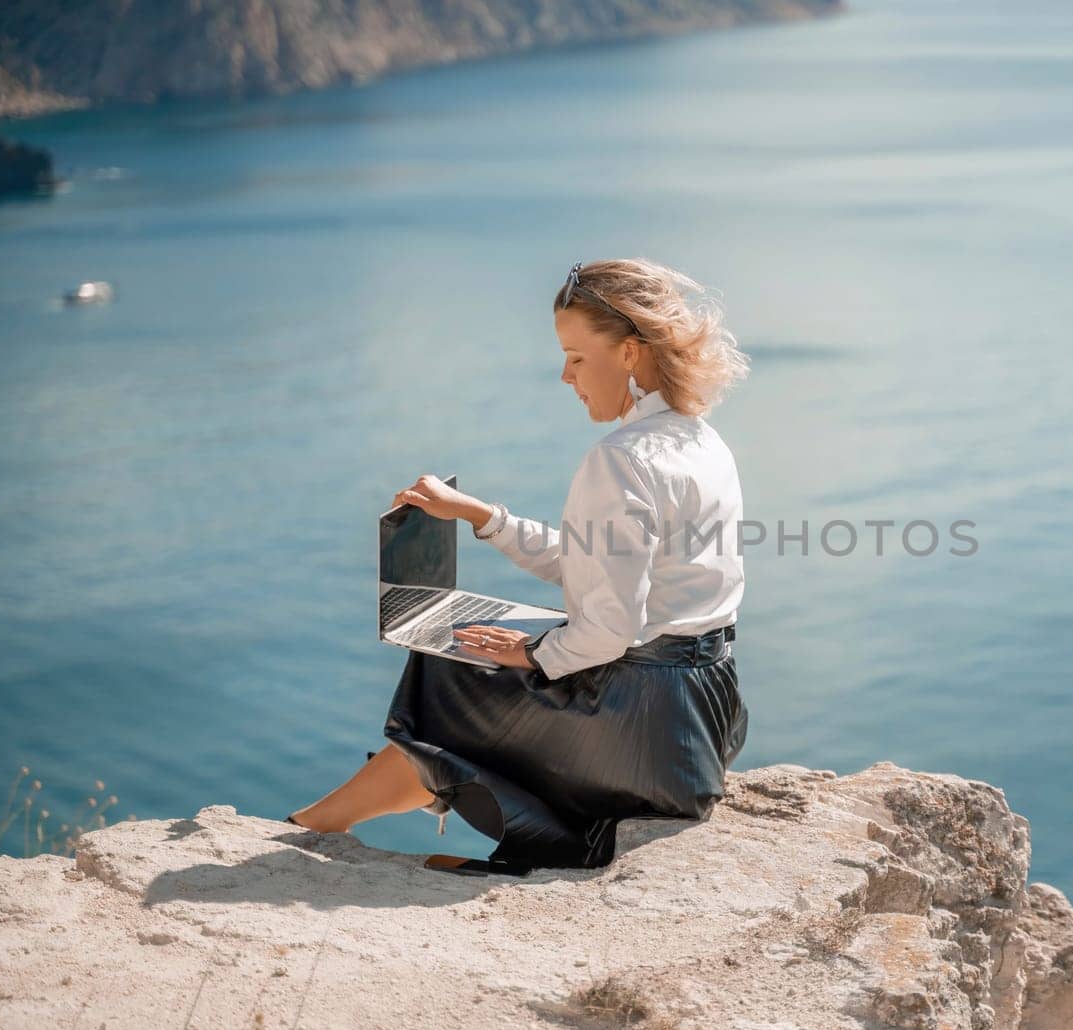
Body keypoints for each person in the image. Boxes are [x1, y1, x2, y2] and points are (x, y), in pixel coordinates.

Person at [285, 259, 751, 876]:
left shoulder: (620, 459)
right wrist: (483, 517)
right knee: (473, 664)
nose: (565, 376)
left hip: (640, 731)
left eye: (578, 358)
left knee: (448, 670)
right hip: (700, 713)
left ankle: (320, 827)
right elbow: (597, 567)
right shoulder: (696, 438)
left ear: (632, 354)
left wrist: (535, 654)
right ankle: (325, 820)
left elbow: (611, 626)